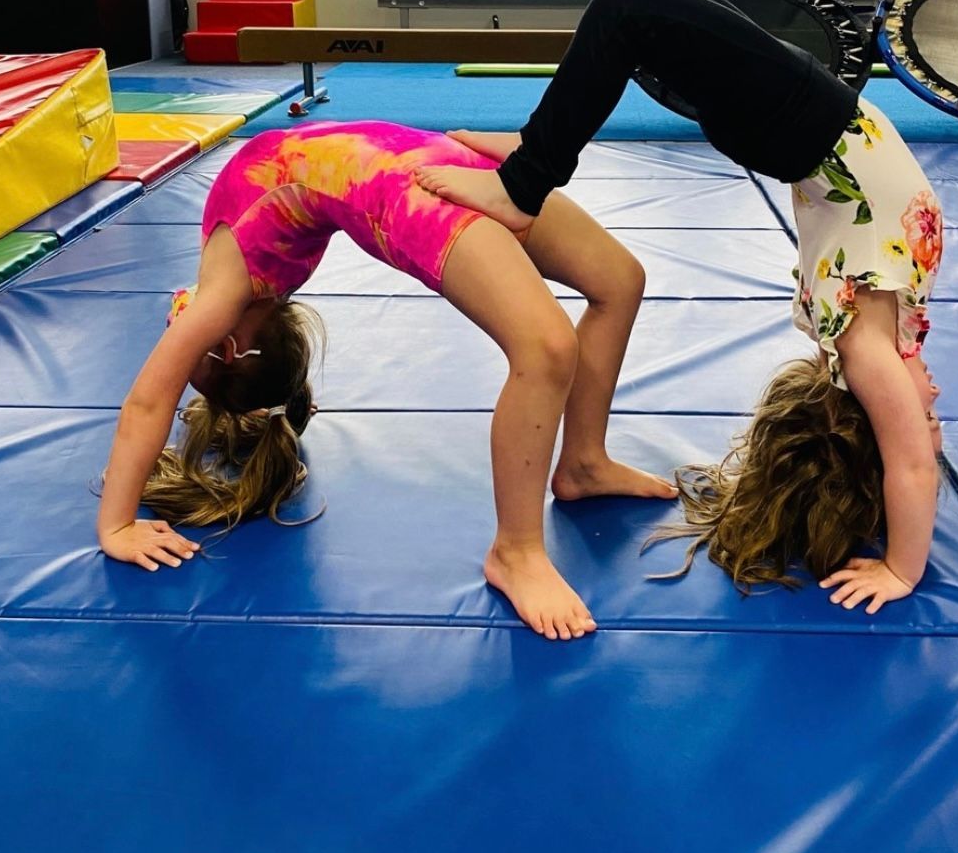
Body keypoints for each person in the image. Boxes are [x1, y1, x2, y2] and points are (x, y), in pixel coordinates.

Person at [415, 0, 945, 615]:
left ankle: (526, 181)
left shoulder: (866, 351)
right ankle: (536, 142)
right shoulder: (900, 328)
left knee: (628, 10)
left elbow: (913, 466)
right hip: (812, 118)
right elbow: (915, 445)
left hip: (804, 126)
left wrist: (901, 570)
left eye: (926, 415)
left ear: (869, 412)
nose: (935, 399)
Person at [96, 119, 676, 640]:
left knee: (618, 280)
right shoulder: (226, 299)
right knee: (546, 347)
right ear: (229, 347)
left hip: (429, 162)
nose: (177, 320)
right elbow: (150, 404)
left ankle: (582, 463)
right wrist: (119, 526)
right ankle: (516, 551)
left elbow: (150, 402)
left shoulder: (233, 287)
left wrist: (118, 521)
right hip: (405, 183)